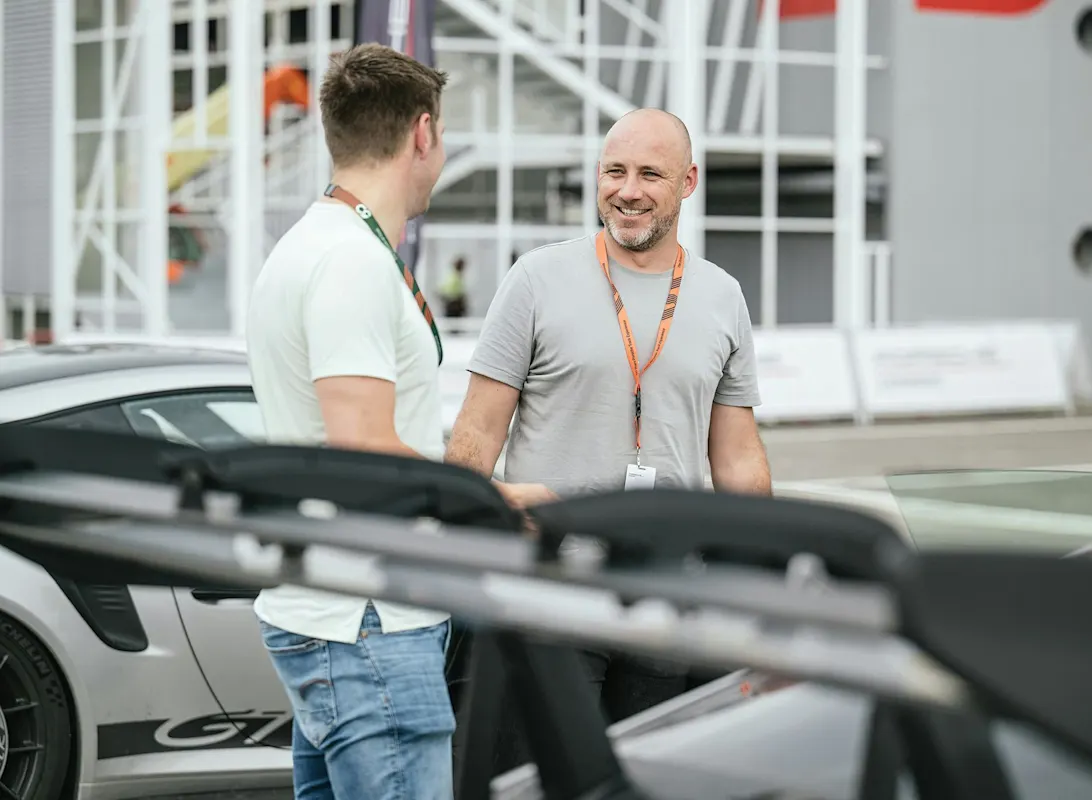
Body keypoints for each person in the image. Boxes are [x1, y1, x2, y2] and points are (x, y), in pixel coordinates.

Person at [244, 43, 551, 800]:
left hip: (336, 610)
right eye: (441, 135)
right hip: (368, 621)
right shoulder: (349, 261)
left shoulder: (310, 248)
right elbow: (363, 454)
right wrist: (490, 503)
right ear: (422, 133)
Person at [444, 107, 773, 743]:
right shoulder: (537, 278)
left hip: (669, 593)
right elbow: (477, 431)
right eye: (614, 171)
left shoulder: (722, 295)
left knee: (650, 775)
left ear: (688, 183)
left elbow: (737, 455)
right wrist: (468, 542)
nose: (628, 190)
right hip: (550, 586)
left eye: (651, 174)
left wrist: (757, 571)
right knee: (546, 774)